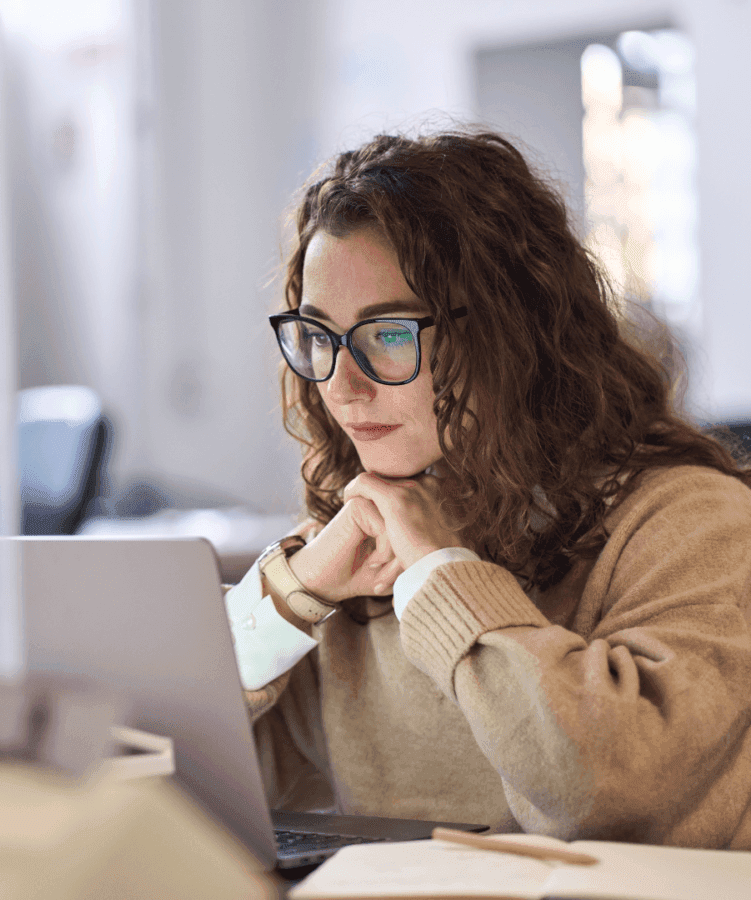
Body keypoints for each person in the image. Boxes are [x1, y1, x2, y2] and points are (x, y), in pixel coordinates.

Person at [223, 129, 751, 849]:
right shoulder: (357, 544)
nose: (342, 386)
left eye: (389, 333)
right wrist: (290, 595)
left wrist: (442, 571)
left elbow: (604, 795)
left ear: (512, 333)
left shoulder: (694, 523)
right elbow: (172, 760)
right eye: (318, 334)